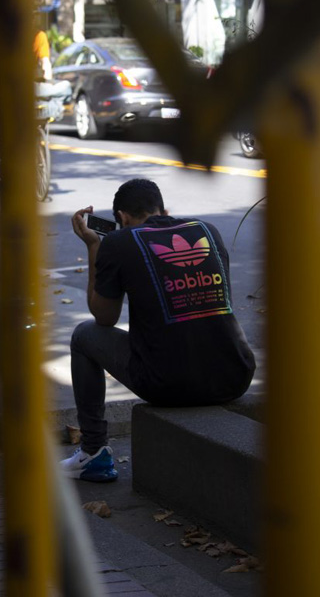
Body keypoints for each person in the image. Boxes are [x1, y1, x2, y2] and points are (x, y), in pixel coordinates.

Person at [60, 178, 256, 483]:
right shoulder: (207, 231)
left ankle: (94, 452)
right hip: (234, 376)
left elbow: (104, 317)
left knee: (83, 335)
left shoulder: (118, 241)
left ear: (122, 218)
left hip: (168, 384)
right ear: (162, 209)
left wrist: (94, 246)